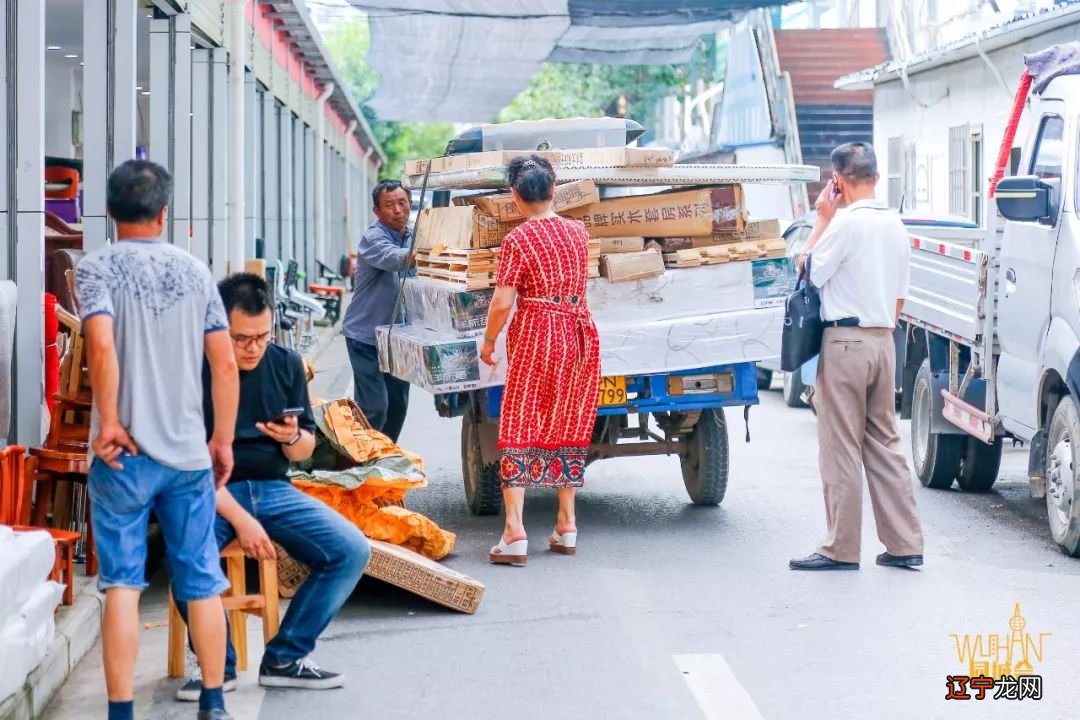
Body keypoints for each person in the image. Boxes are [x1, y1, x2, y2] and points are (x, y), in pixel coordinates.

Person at [75, 160, 239, 720]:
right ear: (165, 212)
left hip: (123, 455)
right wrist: (222, 440)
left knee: (122, 583)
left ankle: (121, 712)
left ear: (108, 211)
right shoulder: (197, 272)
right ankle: (214, 702)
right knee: (200, 578)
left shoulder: (94, 268)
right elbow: (224, 365)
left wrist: (113, 421)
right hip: (189, 454)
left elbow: (100, 348)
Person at [175, 273, 371, 700]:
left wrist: (290, 439)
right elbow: (189, 471)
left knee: (351, 550)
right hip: (209, 492)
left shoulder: (284, 363)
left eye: (262, 336)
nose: (252, 348)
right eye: (241, 338)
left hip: (274, 488)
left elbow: (303, 450)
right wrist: (243, 522)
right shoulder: (191, 370)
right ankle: (217, 668)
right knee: (186, 552)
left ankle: (285, 657)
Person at [789, 142, 925, 572]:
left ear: (837, 182)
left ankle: (840, 548)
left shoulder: (844, 225)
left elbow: (808, 269)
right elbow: (900, 296)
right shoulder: (895, 225)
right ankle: (905, 544)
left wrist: (820, 221)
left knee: (841, 446)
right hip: (884, 338)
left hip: (845, 342)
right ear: (877, 178)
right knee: (885, 443)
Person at [481, 155, 601, 566]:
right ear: (554, 190)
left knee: (520, 418)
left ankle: (514, 532)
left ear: (515, 196)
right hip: (579, 332)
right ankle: (566, 525)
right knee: (568, 418)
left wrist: (489, 339)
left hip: (538, 331)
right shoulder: (578, 232)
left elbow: (502, 301)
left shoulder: (518, 240)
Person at [342, 180, 415, 442]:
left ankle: (383, 459)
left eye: (402, 202)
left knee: (398, 406)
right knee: (374, 408)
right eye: (389, 205)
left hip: (397, 338)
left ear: (410, 204)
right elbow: (396, 258)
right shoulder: (373, 238)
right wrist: (429, 250)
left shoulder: (413, 235)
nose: (397, 210)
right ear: (377, 211)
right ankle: (360, 460)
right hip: (366, 337)